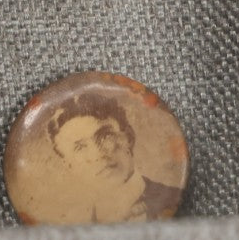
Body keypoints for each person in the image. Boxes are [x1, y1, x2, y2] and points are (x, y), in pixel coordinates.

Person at [45, 94, 182, 221]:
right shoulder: (69, 224)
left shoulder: (174, 199)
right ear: (68, 164)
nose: (97, 155)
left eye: (105, 136)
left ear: (128, 138)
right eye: (80, 147)